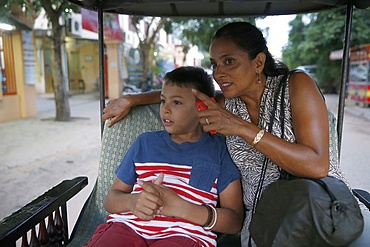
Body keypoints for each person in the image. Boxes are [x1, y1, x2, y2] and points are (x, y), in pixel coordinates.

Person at [102, 22, 369, 246]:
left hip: (316, 209)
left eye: (229, 61)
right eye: (215, 64)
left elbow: (317, 164)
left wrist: (241, 128)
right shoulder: (229, 103)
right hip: (264, 222)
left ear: (258, 62)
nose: (219, 72)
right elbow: (185, 95)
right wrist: (132, 100)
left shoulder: (295, 85)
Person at [84, 66, 244, 247]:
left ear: (202, 106)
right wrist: (132, 202)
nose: (165, 109)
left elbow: (234, 221)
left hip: (184, 236)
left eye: (176, 102)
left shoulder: (219, 150)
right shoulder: (145, 143)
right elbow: (110, 200)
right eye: (162, 101)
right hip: (127, 227)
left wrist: (182, 208)